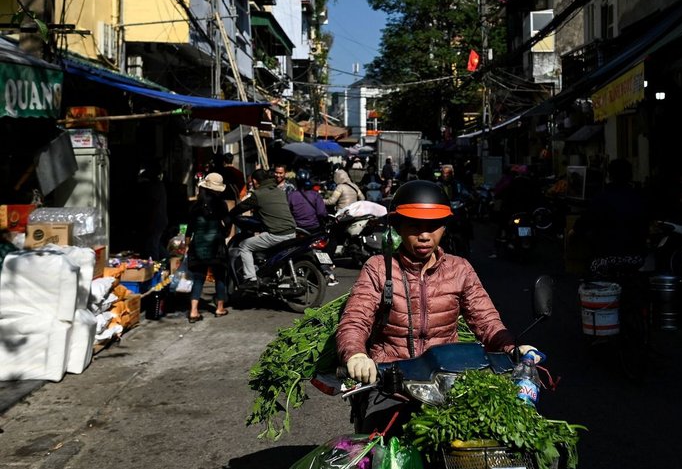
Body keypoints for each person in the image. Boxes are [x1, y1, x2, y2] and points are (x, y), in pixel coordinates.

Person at [336, 180, 541, 431]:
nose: (424, 235)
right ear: (399, 227)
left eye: (433, 226)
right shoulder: (379, 268)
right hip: (391, 385)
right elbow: (356, 318)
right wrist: (356, 354)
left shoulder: (460, 269)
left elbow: (486, 321)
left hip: (448, 384)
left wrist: (513, 348)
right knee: (377, 448)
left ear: (444, 228)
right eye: (414, 225)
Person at [571, 158, 650, 264]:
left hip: (606, 259)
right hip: (636, 259)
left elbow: (585, 222)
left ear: (610, 175)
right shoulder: (639, 198)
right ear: (630, 176)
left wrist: (573, 232)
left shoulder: (602, 197)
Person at [228, 168, 298, 287]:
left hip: (277, 234)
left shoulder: (258, 195)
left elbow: (242, 207)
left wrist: (229, 214)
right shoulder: (279, 191)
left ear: (255, 181)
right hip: (292, 232)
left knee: (244, 246)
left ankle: (251, 278)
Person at [184, 172, 231, 322]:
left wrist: (186, 246)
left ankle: (193, 311)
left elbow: (189, 229)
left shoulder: (195, 206)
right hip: (216, 246)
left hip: (198, 246)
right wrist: (224, 233)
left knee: (198, 279)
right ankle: (220, 308)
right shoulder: (221, 204)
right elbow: (228, 224)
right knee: (219, 277)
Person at [138, 162, 168, 261]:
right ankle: (167, 260)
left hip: (156, 220)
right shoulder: (158, 185)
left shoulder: (154, 186)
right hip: (159, 219)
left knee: (153, 245)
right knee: (156, 243)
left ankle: (155, 266)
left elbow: (152, 203)